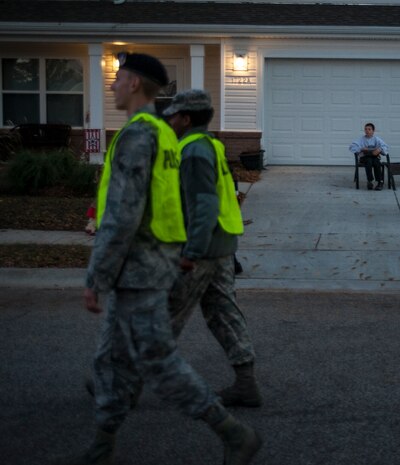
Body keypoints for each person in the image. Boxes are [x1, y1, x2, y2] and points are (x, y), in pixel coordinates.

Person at [76, 53, 260, 465]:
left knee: (158, 358)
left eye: (119, 77)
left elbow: (125, 213)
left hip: (146, 264)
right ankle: (102, 444)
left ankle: (232, 432)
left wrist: (98, 276)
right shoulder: (166, 138)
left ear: (136, 83)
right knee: (115, 356)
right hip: (170, 255)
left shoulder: (145, 137)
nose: (113, 84)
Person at [162, 89, 262, 407]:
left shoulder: (192, 151)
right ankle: (246, 383)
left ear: (186, 118)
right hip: (221, 246)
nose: (169, 118)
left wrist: (190, 252)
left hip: (200, 251)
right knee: (224, 314)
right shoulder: (212, 145)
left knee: (161, 317)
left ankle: (120, 384)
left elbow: (204, 205)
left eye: (173, 114)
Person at [349, 122, 389, 191]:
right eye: (365, 129)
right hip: (365, 157)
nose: (367, 131)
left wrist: (379, 149)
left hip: (374, 156)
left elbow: (385, 146)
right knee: (369, 161)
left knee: (377, 162)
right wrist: (361, 149)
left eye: (369, 129)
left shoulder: (376, 139)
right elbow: (352, 146)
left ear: (373, 131)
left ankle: (380, 182)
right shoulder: (361, 139)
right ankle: (369, 181)